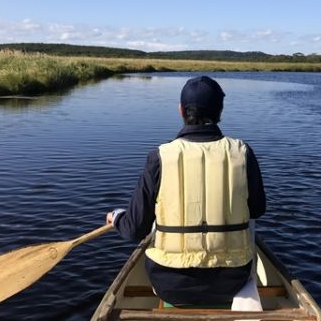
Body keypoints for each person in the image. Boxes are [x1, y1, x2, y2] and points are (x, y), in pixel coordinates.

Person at [106, 75, 266, 306]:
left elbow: (135, 229)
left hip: (169, 284)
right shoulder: (242, 153)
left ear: (181, 110)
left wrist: (118, 217)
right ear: (220, 112)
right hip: (231, 281)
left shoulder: (159, 157)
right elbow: (257, 210)